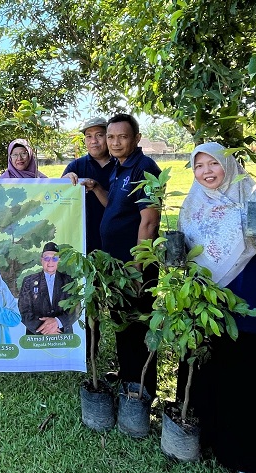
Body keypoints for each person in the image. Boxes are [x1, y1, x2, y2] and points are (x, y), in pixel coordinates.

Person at [176, 142, 256, 473]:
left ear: (228, 165)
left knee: (245, 370)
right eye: (199, 166)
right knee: (207, 365)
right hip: (201, 298)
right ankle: (207, 436)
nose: (206, 171)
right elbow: (184, 251)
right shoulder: (192, 203)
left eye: (213, 163)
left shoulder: (252, 196)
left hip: (244, 295)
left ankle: (247, 453)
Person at [81, 113, 161, 396]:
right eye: (111, 137)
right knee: (121, 322)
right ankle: (128, 375)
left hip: (135, 265)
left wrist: (137, 268)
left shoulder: (145, 169)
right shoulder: (119, 167)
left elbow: (149, 222)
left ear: (136, 138)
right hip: (116, 264)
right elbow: (114, 205)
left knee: (138, 324)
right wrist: (97, 188)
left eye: (122, 137)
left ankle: (142, 386)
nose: (115, 143)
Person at [63, 117, 114, 251]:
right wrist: (64, 182)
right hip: (84, 240)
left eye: (99, 135)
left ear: (108, 137)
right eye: (89, 136)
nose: (93, 141)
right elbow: (60, 201)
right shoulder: (76, 166)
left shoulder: (120, 165)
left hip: (115, 238)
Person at [18, 242, 77, 335]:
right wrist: (46, 329)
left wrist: (58, 322)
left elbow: (75, 309)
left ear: (59, 260)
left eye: (54, 258)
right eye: (46, 258)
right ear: (41, 260)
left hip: (62, 334)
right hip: (35, 336)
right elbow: (23, 311)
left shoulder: (69, 281)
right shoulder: (28, 281)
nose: (50, 262)